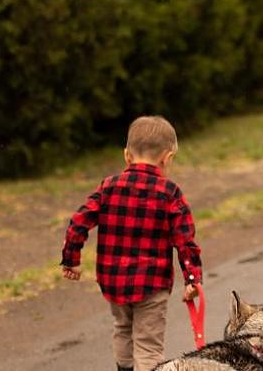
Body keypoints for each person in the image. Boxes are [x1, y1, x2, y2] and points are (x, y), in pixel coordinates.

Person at [60, 116, 203, 371]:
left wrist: (72, 259)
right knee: (148, 344)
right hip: (152, 283)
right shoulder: (169, 192)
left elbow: (79, 221)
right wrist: (192, 280)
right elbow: (185, 240)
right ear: (167, 158)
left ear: (127, 155)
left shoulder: (108, 187)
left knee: (123, 329)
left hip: (114, 282)